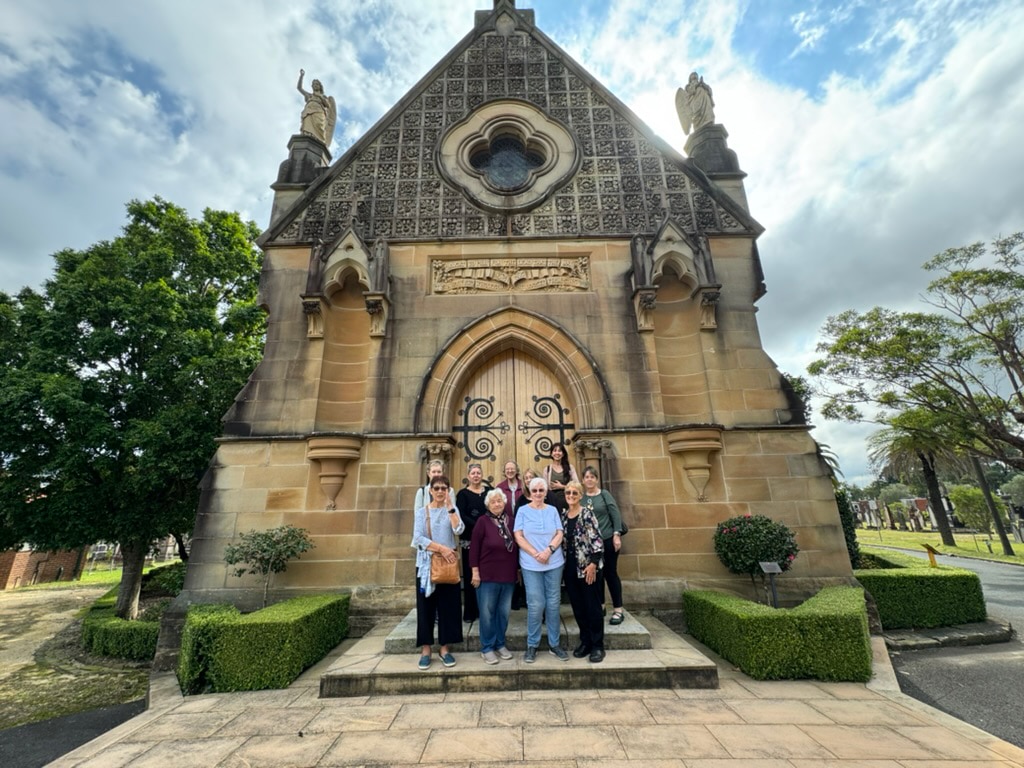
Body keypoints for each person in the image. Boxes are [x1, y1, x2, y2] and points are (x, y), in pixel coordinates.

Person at [412, 475, 464, 670]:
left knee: (448, 607)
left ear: (448, 491)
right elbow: (418, 538)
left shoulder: (452, 509)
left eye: (444, 488)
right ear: (431, 491)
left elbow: (459, 530)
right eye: (437, 488)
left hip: (448, 565)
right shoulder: (422, 512)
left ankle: (444, 648)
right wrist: (442, 549)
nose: (440, 491)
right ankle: (426, 649)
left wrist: (451, 508)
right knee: (426, 607)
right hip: (427, 565)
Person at [513, 476, 568, 662]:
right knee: (536, 604)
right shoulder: (522, 511)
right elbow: (518, 536)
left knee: (553, 602)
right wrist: (535, 553)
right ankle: (532, 644)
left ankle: (554, 644)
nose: (537, 493)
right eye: (534, 490)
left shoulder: (552, 510)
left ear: (546, 493)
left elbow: (559, 533)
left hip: (554, 562)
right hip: (531, 564)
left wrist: (549, 550)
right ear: (530, 492)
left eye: (541, 490)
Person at [469, 489, 518, 664]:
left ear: (504, 503)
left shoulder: (512, 521)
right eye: (493, 502)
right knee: (487, 613)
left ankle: (500, 643)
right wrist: (475, 572)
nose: (497, 504)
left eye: (499, 501)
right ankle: (487, 647)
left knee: (503, 613)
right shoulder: (482, 522)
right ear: (488, 505)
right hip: (487, 575)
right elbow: (474, 548)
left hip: (508, 575)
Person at [561, 480, 605, 662]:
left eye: (574, 493)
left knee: (592, 607)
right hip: (570, 568)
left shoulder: (587, 514)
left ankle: (597, 645)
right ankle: (585, 641)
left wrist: (593, 564)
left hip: (587, 568)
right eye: (568, 493)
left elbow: (597, 540)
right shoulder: (563, 516)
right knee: (578, 607)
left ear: (580, 495)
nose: (571, 496)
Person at [581, 466, 626, 625]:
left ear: (596, 479)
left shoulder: (604, 495)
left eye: (592, 477)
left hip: (607, 539)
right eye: (587, 477)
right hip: (592, 545)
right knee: (597, 575)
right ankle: (600, 605)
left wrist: (616, 535)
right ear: (583, 480)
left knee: (610, 573)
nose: (589, 480)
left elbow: (615, 514)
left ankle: (618, 609)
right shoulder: (581, 498)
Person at [455, 463, 492, 623]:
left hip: (488, 540)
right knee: (471, 575)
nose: (476, 475)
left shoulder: (489, 492)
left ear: (482, 475)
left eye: (478, 473)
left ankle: (486, 611)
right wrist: (478, 526)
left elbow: (494, 509)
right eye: (473, 473)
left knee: (487, 575)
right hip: (469, 540)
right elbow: (461, 514)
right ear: (468, 476)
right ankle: (470, 611)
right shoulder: (463, 494)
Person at [296, 68, 337, 146]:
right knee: (307, 128)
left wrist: (320, 96)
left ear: (320, 86)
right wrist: (301, 76)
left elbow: (328, 105)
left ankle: (318, 142)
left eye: (317, 84)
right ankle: (307, 138)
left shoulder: (323, 97)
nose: (315, 86)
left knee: (319, 126)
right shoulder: (310, 95)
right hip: (308, 112)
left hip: (319, 112)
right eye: (314, 84)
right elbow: (299, 88)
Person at [675, 71, 715, 136]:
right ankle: (699, 126)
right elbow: (691, 91)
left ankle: (708, 122)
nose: (694, 75)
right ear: (690, 78)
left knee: (708, 114)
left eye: (695, 74)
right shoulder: (688, 86)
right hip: (696, 102)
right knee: (697, 116)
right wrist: (697, 85)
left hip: (706, 101)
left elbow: (710, 91)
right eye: (692, 74)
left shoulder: (702, 83)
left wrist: (703, 84)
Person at [543, 442, 578, 512]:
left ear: (563, 454)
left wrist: (562, 486)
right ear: (551, 454)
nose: (557, 453)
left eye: (559, 451)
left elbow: (577, 485)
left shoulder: (570, 468)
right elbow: (545, 489)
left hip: (568, 501)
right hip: (552, 502)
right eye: (555, 450)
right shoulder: (547, 469)